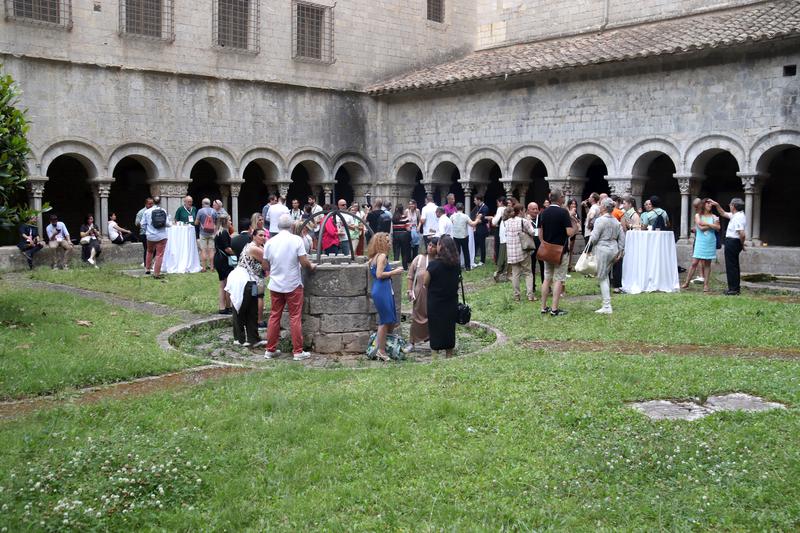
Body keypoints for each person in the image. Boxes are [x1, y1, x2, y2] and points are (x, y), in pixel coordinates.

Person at [263, 214, 317, 360]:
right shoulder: (296, 240)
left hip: (275, 283)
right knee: (295, 317)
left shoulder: (270, 242)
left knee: (274, 316)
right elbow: (304, 262)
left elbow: (265, 264)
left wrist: (274, 269)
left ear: (278, 227)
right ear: (292, 226)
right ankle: (298, 352)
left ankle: (270, 349)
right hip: (293, 283)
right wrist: (311, 266)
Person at [539, 189, 580, 316]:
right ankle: (555, 309)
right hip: (561, 251)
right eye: (563, 196)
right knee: (558, 279)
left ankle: (543, 307)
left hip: (547, 250)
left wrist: (544, 244)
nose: (564, 198)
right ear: (559, 198)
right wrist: (576, 228)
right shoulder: (563, 212)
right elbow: (568, 232)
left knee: (547, 278)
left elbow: (540, 233)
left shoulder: (543, 213)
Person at [225, 228, 268, 347]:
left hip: (252, 282)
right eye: (260, 235)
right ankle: (239, 339)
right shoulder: (253, 248)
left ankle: (253, 338)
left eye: (264, 235)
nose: (263, 237)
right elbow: (267, 263)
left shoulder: (257, 247)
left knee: (252, 309)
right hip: (243, 281)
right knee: (241, 308)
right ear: (253, 236)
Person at [367, 232, 404, 361]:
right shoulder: (382, 256)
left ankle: (383, 346)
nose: (390, 244)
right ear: (381, 243)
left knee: (389, 320)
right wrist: (394, 271)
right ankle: (381, 351)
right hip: (382, 290)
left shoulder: (373, 257)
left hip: (381, 289)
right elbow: (379, 274)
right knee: (384, 321)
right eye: (387, 241)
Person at [423, 235, 461, 357]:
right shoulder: (456, 265)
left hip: (435, 303)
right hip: (451, 302)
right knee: (449, 328)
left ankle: (435, 355)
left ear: (441, 247)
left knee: (435, 329)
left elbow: (425, 282)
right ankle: (449, 354)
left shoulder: (434, 266)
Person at [588, 198, 625, 313]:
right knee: (605, 275)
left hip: (603, 250)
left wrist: (589, 247)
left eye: (600, 205)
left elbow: (594, 238)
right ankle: (606, 303)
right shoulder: (616, 221)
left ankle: (607, 306)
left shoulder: (600, 220)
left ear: (603, 207)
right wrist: (620, 250)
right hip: (613, 250)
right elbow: (622, 237)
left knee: (602, 277)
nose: (599, 207)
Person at [405, 236, 438, 353]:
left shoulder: (439, 261)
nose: (431, 248)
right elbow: (410, 276)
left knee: (433, 318)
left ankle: (433, 341)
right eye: (429, 245)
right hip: (419, 293)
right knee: (416, 318)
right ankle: (412, 342)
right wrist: (409, 290)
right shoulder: (419, 259)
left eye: (434, 246)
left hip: (434, 294)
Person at [682, 199, 720, 292]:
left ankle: (706, 285)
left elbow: (718, 228)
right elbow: (701, 227)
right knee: (694, 262)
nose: (710, 205)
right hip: (700, 241)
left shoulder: (714, 216)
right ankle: (686, 282)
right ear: (703, 204)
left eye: (711, 204)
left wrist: (708, 224)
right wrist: (712, 225)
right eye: (708, 203)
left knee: (707, 264)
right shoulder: (698, 215)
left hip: (710, 241)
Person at [711, 198, 746, 295]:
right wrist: (717, 204)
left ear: (733, 206)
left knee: (731, 266)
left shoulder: (738, 217)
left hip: (733, 242)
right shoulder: (736, 215)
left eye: (730, 204)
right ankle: (734, 288)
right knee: (733, 266)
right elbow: (723, 213)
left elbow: (742, 234)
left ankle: (733, 290)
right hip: (733, 242)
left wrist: (742, 244)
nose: (729, 206)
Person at [505, 204, 536, 301]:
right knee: (528, 273)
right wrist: (529, 221)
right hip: (523, 251)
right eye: (524, 210)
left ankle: (516, 296)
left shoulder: (507, 222)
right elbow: (532, 232)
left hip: (512, 252)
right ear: (521, 211)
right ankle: (530, 295)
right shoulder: (524, 221)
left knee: (515, 274)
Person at [142, 196, 170, 278]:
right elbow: (168, 224)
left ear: (153, 202)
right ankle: (156, 273)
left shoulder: (147, 212)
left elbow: (142, 224)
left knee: (149, 251)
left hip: (150, 236)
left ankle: (147, 269)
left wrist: (148, 230)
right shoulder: (163, 211)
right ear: (160, 202)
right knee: (159, 255)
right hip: (161, 236)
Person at [213, 214, 235, 315]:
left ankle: (222, 307)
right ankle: (228, 306)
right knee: (227, 284)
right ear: (225, 222)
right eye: (230, 220)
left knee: (222, 284)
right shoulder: (224, 233)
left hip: (218, 258)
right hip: (224, 260)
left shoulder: (218, 232)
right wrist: (237, 253)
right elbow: (227, 249)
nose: (231, 222)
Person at [526, 202, 545, 293]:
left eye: (536, 208)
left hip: (541, 245)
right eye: (533, 209)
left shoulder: (541, 218)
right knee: (531, 267)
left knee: (543, 266)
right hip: (531, 246)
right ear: (528, 210)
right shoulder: (525, 220)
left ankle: (545, 286)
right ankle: (532, 287)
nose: (535, 211)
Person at [196, 198, 217, 272]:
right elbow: (216, 222)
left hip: (203, 233)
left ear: (202, 204)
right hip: (211, 233)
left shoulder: (200, 211)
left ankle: (204, 268)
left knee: (203, 250)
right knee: (211, 250)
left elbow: (196, 222)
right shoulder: (214, 211)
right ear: (209, 203)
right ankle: (212, 267)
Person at [492, 204, 511, 282]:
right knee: (507, 259)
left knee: (502, 259)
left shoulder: (502, 222)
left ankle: (498, 273)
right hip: (507, 241)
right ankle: (506, 274)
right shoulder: (508, 222)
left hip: (503, 241)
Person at [470, 195, 489, 266]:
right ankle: (473, 258)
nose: (474, 201)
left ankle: (482, 260)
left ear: (479, 200)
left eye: (475, 200)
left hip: (482, 229)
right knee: (475, 244)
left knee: (482, 245)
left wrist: (479, 220)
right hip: (477, 229)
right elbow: (473, 215)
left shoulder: (485, 208)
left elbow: (484, 219)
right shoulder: (477, 207)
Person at [391, 204, 412, 269]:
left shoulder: (393, 218)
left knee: (396, 251)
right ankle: (405, 267)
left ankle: (395, 266)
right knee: (404, 251)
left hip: (395, 235)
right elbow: (408, 228)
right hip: (404, 235)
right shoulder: (405, 217)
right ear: (402, 209)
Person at [135, 197, 154, 267]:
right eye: (149, 204)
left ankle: (150, 263)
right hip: (144, 233)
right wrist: (144, 225)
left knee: (154, 249)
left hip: (153, 233)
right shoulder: (141, 212)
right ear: (145, 204)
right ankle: (147, 265)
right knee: (147, 249)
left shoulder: (154, 211)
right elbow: (137, 223)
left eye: (152, 203)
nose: (151, 205)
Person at [566, 198, 580, 271]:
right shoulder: (567, 211)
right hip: (568, 232)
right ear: (569, 204)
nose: (573, 205)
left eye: (574, 204)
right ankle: (566, 265)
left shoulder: (576, 212)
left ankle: (569, 265)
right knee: (567, 249)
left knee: (571, 250)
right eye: (572, 203)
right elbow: (566, 218)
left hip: (574, 232)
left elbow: (578, 220)